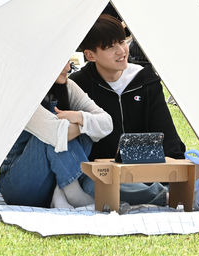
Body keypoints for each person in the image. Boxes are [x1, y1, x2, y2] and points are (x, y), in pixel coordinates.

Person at [70, 14, 186, 204]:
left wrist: (175, 168)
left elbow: (167, 136)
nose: (121, 51)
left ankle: (161, 190)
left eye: (122, 42)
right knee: (98, 185)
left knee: (191, 175)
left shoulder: (146, 80)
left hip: (148, 168)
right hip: (104, 172)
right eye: (110, 47)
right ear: (90, 55)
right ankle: (160, 195)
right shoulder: (78, 86)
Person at [0, 62, 113, 208]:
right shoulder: (22, 94)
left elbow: (107, 123)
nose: (68, 68)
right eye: (61, 63)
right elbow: (57, 134)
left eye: (69, 62)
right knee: (56, 133)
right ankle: (73, 194)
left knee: (85, 126)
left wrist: (79, 116)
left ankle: (59, 194)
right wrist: (82, 124)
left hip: (49, 183)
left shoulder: (68, 86)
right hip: (19, 185)